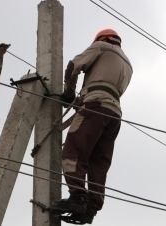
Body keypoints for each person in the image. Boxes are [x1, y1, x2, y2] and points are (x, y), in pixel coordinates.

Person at [58, 28, 133, 224]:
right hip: (114, 113)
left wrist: (68, 93)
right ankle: (90, 210)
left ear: (100, 39)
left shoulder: (101, 47)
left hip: (95, 106)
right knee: (98, 163)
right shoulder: (128, 64)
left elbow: (74, 65)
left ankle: (77, 197)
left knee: (72, 152)